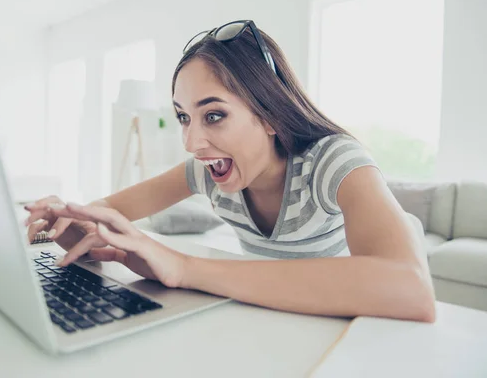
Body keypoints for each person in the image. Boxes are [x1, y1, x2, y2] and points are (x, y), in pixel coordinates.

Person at [24, 20, 435, 322]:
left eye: (214, 115)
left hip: (346, 323)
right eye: (184, 117)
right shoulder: (209, 172)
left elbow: (410, 288)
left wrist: (183, 267)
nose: (191, 142)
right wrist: (67, 218)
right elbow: (104, 215)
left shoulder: (333, 161)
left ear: (272, 113)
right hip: (273, 316)